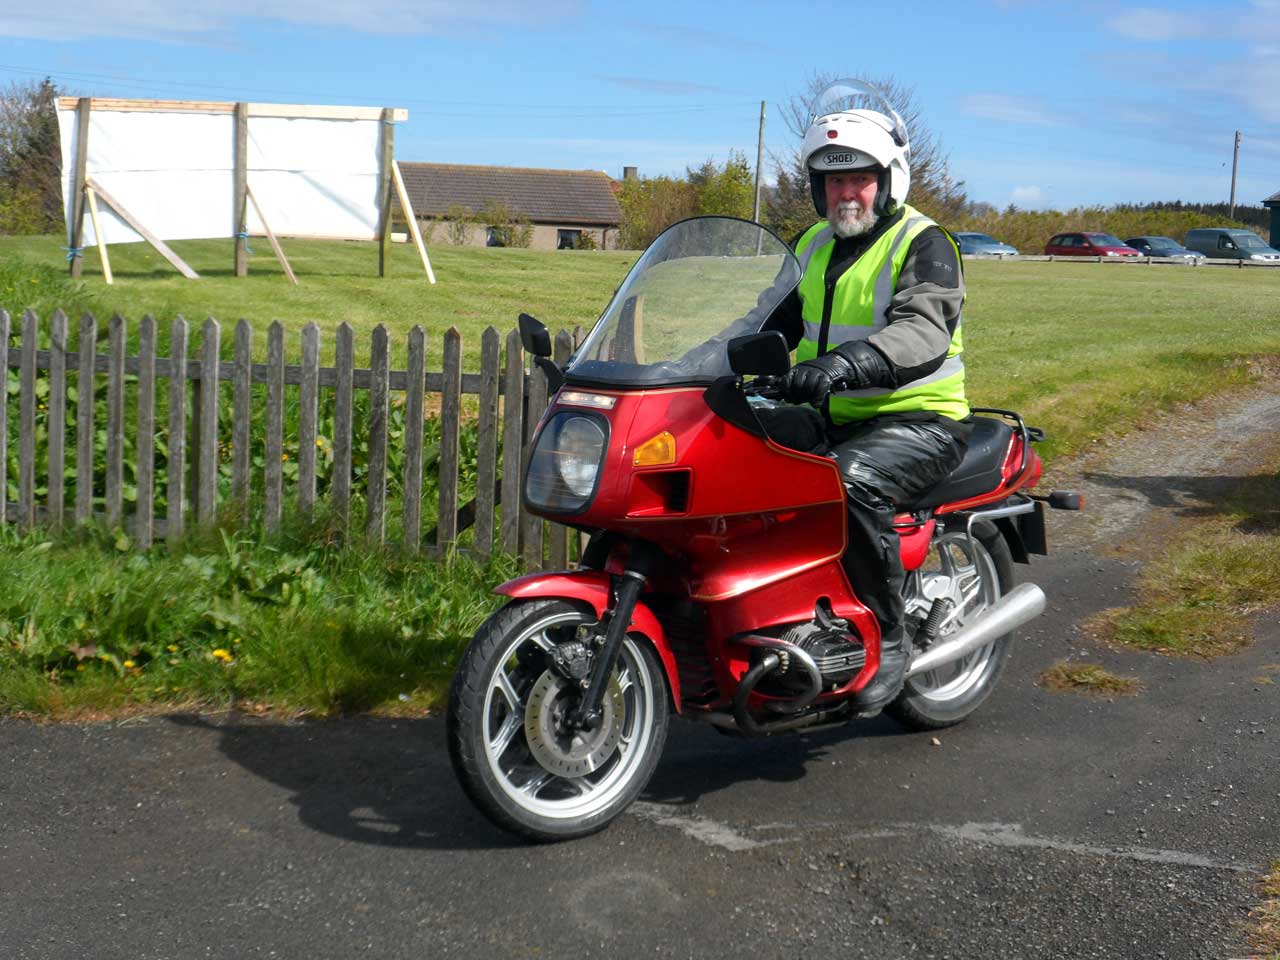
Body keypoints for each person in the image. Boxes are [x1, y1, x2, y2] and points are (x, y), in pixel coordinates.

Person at [762, 84, 971, 718]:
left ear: (886, 180)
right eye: (831, 182)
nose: (844, 193)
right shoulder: (811, 246)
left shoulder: (923, 242)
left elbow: (924, 329)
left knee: (850, 485)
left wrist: (844, 365)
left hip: (919, 421)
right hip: (835, 416)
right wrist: (704, 359)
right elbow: (769, 324)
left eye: (857, 179)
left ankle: (890, 641)